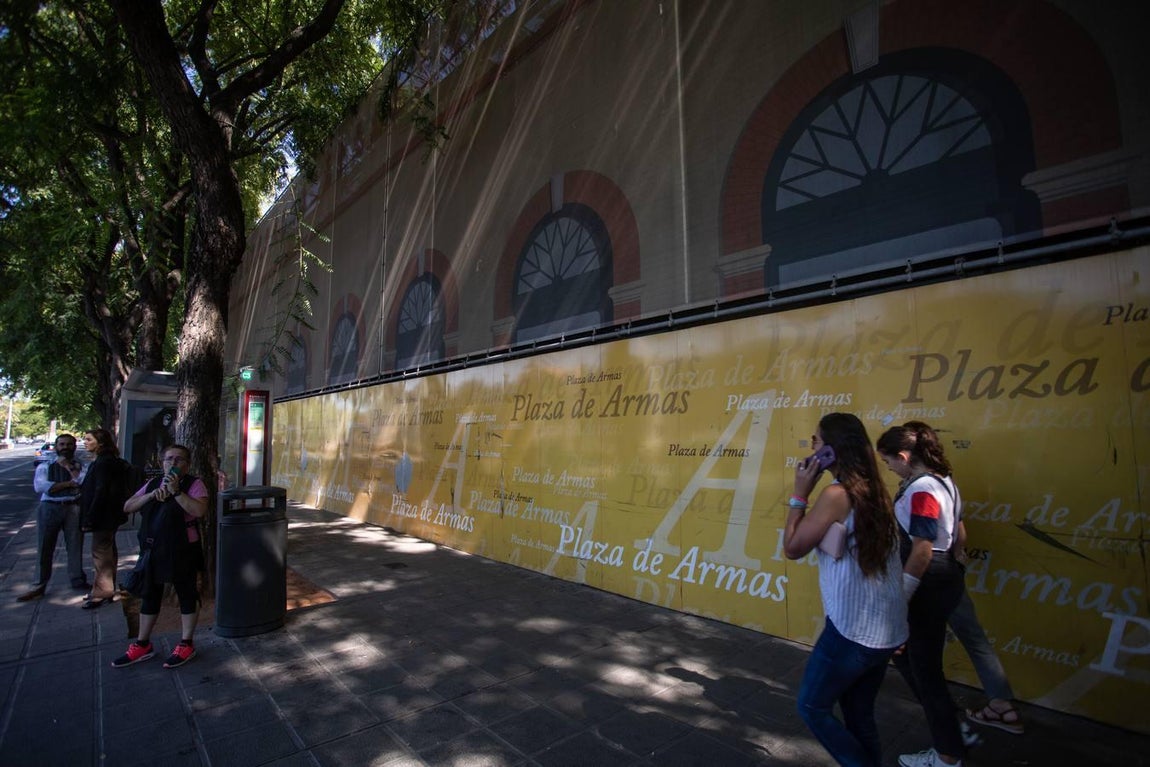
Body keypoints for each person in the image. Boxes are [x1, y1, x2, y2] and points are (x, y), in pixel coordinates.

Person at [784, 413, 908, 767]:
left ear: (832, 452)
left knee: (811, 706)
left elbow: (793, 547)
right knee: (859, 714)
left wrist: (798, 495)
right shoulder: (875, 490)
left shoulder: (836, 494)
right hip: (886, 627)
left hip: (853, 628)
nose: (812, 446)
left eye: (817, 441)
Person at [877, 422, 967, 767]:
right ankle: (949, 726)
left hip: (927, 582)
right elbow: (959, 530)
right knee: (905, 656)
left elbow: (923, 548)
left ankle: (948, 753)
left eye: (889, 462)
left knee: (925, 669)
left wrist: (903, 597)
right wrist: (957, 559)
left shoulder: (923, 490)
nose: (888, 468)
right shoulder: (946, 482)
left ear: (903, 457)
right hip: (942, 576)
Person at [113, 444, 208, 669]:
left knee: (186, 592)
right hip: (153, 548)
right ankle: (142, 643)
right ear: (162, 462)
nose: (173, 464)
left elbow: (199, 510)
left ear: (188, 464)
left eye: (179, 460)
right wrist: (151, 496)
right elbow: (128, 506)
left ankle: (186, 642)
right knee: (150, 594)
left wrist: (177, 492)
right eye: (169, 459)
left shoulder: (194, 484)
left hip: (183, 548)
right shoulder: (153, 484)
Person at [18, 434, 89, 601]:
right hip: (50, 507)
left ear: (74, 446)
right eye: (62, 444)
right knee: (44, 545)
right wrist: (68, 484)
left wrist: (67, 474)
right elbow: (41, 486)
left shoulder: (81, 465)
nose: (65, 447)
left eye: (69, 444)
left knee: (75, 544)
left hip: (73, 506)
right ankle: (39, 584)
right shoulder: (45, 465)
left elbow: (81, 481)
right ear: (56, 446)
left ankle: (77, 579)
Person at [78, 428, 127, 609]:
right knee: (106, 551)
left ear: (100, 442)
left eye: (89, 439)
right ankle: (105, 588)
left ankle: (102, 592)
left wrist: (91, 516)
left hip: (103, 515)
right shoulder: (108, 461)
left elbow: (101, 490)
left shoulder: (103, 463)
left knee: (101, 553)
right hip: (109, 514)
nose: (85, 442)